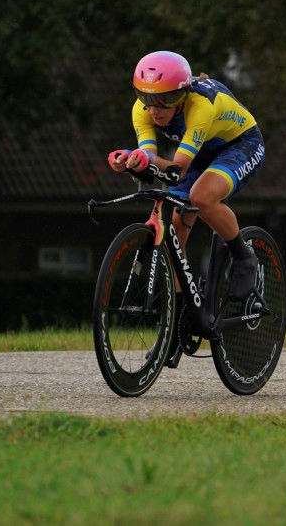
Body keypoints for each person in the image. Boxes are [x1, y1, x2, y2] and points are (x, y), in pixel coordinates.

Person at [107, 50, 265, 366]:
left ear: (183, 93)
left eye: (165, 100)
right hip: (200, 154)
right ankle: (180, 321)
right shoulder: (141, 110)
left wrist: (143, 159)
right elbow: (150, 158)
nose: (155, 109)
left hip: (239, 145)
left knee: (202, 197)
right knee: (177, 220)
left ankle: (244, 257)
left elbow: (177, 167)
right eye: (147, 98)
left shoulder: (201, 105)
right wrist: (132, 160)